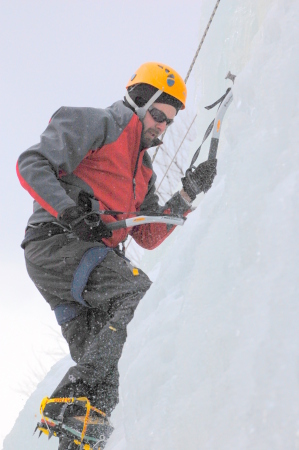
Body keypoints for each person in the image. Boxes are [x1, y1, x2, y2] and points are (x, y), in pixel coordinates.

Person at [17, 61, 217, 449]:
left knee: (108, 373)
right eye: (158, 115)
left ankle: (78, 431)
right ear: (139, 101)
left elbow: (147, 234)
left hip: (83, 265)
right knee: (139, 292)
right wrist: (71, 213)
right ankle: (72, 393)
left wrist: (187, 195)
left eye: (169, 122)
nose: (161, 126)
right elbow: (32, 164)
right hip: (58, 243)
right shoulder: (97, 124)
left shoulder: (143, 172)